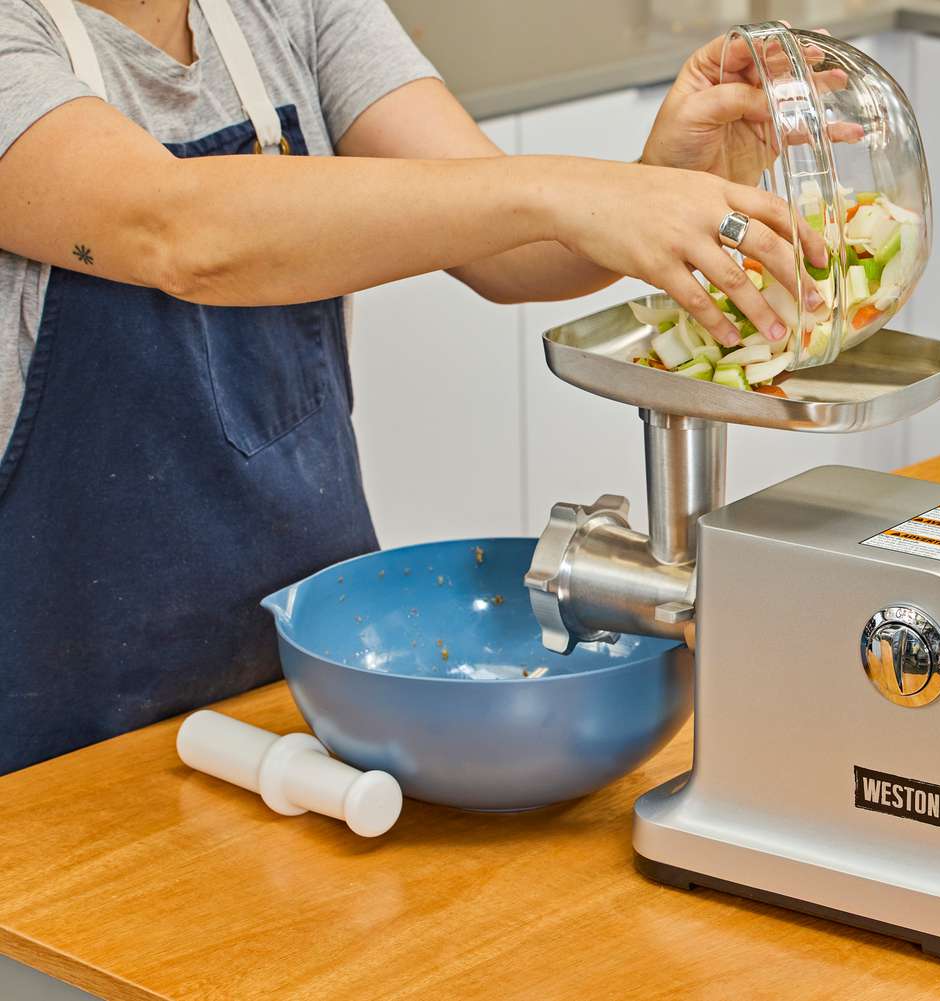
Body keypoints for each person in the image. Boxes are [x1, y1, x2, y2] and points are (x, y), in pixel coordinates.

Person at [0, 0, 828, 773]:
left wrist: (652, 181)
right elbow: (178, 232)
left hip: (313, 703)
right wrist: (577, 192)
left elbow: (511, 249)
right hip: (57, 750)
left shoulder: (290, 10)